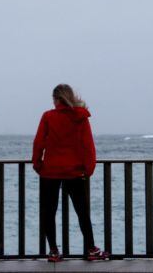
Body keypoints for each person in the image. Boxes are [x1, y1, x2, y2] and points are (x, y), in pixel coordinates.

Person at [32, 84, 108, 262]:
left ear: (56, 99)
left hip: (50, 171)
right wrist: (88, 170)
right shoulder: (80, 117)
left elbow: (38, 143)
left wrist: (38, 165)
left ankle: (53, 252)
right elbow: (88, 145)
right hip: (75, 171)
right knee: (82, 212)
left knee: (48, 212)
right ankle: (91, 249)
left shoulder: (48, 117)